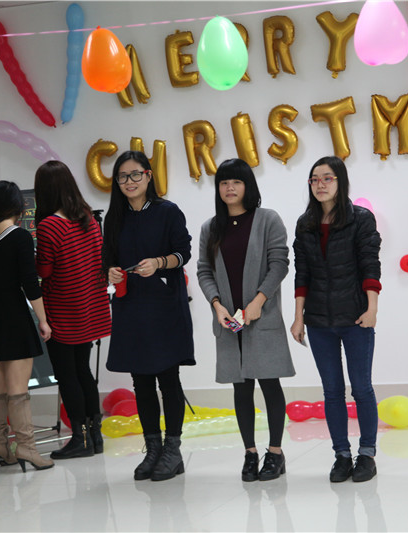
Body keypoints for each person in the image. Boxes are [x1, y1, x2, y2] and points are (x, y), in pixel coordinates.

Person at [197, 159, 295, 482]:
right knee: (241, 388)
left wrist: (257, 302)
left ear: (247, 186)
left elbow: (279, 264)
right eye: (224, 182)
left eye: (236, 182)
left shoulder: (268, 219)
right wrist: (216, 305)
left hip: (261, 318)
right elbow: (204, 271)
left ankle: (275, 453)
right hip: (230, 322)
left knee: (269, 383)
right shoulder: (211, 227)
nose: (229, 188)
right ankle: (250, 453)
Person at [102, 150, 195, 482]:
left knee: (168, 378)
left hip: (164, 305)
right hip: (130, 307)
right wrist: (111, 272)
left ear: (148, 176)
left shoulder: (167, 211)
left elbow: (183, 253)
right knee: (140, 380)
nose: (129, 182)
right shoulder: (114, 217)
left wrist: (158, 263)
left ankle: (173, 449)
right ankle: (152, 448)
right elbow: (107, 259)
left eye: (135, 174)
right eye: (122, 176)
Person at [290, 156, 382, 483]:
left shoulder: (360, 219)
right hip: (318, 321)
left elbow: (370, 264)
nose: (320, 184)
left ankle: (366, 454)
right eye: (314, 179)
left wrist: (372, 309)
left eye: (327, 178)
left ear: (340, 182)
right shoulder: (305, 224)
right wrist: (298, 317)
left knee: (361, 388)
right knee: (332, 391)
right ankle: (341, 455)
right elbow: (302, 273)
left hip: (356, 317)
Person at [0, 180, 54, 472]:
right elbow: (29, 283)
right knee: (18, 387)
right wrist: (43, 320)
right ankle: (27, 449)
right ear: (17, 206)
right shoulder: (19, 236)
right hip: (12, 314)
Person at [34, 161, 112, 460]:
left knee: (67, 375)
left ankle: (79, 439)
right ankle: (95, 436)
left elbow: (45, 270)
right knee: (83, 371)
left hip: (63, 308)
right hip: (90, 306)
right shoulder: (87, 217)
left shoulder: (49, 225)